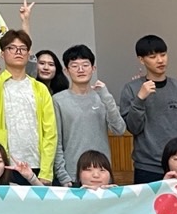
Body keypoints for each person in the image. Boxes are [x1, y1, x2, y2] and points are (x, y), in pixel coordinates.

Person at [0, 30, 58, 184]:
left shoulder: (40, 89)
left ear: (28, 53)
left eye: (22, 48)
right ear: (2, 53)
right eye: (12, 48)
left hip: (36, 164)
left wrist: (46, 171)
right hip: (4, 165)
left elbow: (50, 133)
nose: (18, 52)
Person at [118, 35, 177, 184]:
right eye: (153, 57)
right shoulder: (132, 89)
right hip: (147, 167)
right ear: (141, 60)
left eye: (163, 55)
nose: (160, 60)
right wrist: (140, 99)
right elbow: (134, 128)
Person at [50, 45, 125, 188]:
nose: (81, 69)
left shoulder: (102, 97)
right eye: (74, 66)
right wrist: (63, 175)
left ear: (93, 68)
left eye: (85, 65)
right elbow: (56, 141)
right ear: (66, 70)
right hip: (72, 175)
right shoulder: (58, 100)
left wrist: (107, 98)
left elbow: (119, 130)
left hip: (101, 173)